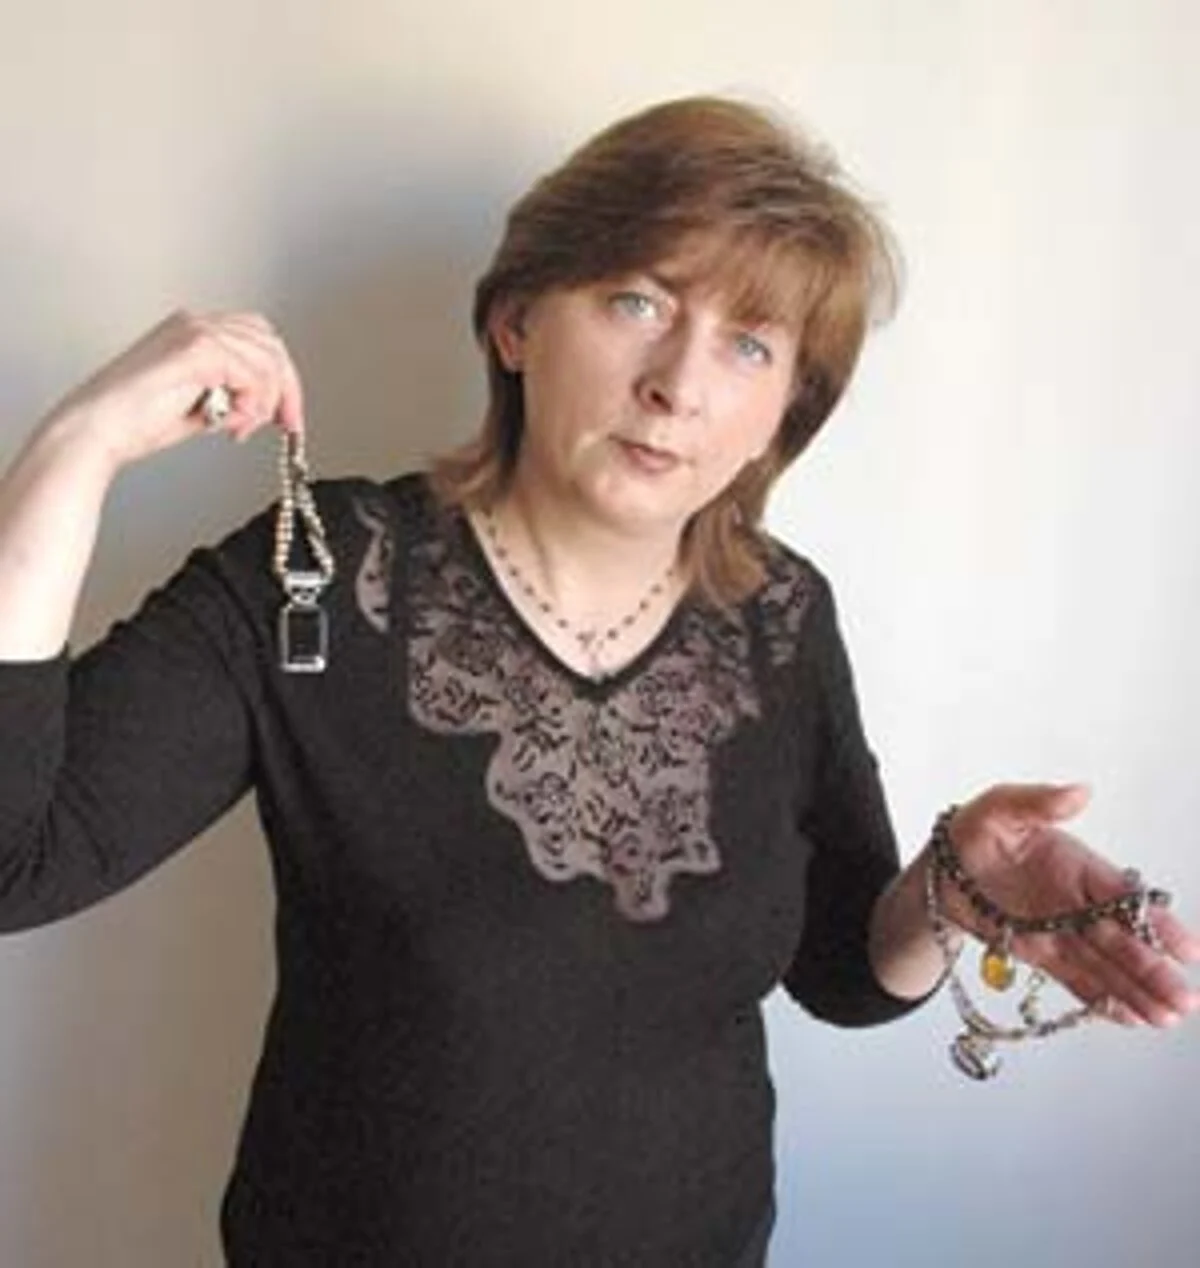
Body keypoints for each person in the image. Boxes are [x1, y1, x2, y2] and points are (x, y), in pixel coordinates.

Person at [0, 96, 1195, 1267]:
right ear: (516, 322)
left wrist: (951, 886)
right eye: (639, 301)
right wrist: (73, 451)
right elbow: (15, 863)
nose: (678, 382)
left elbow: (843, 968)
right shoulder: (310, 579)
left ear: (783, 412)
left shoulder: (782, 616)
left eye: (749, 342)